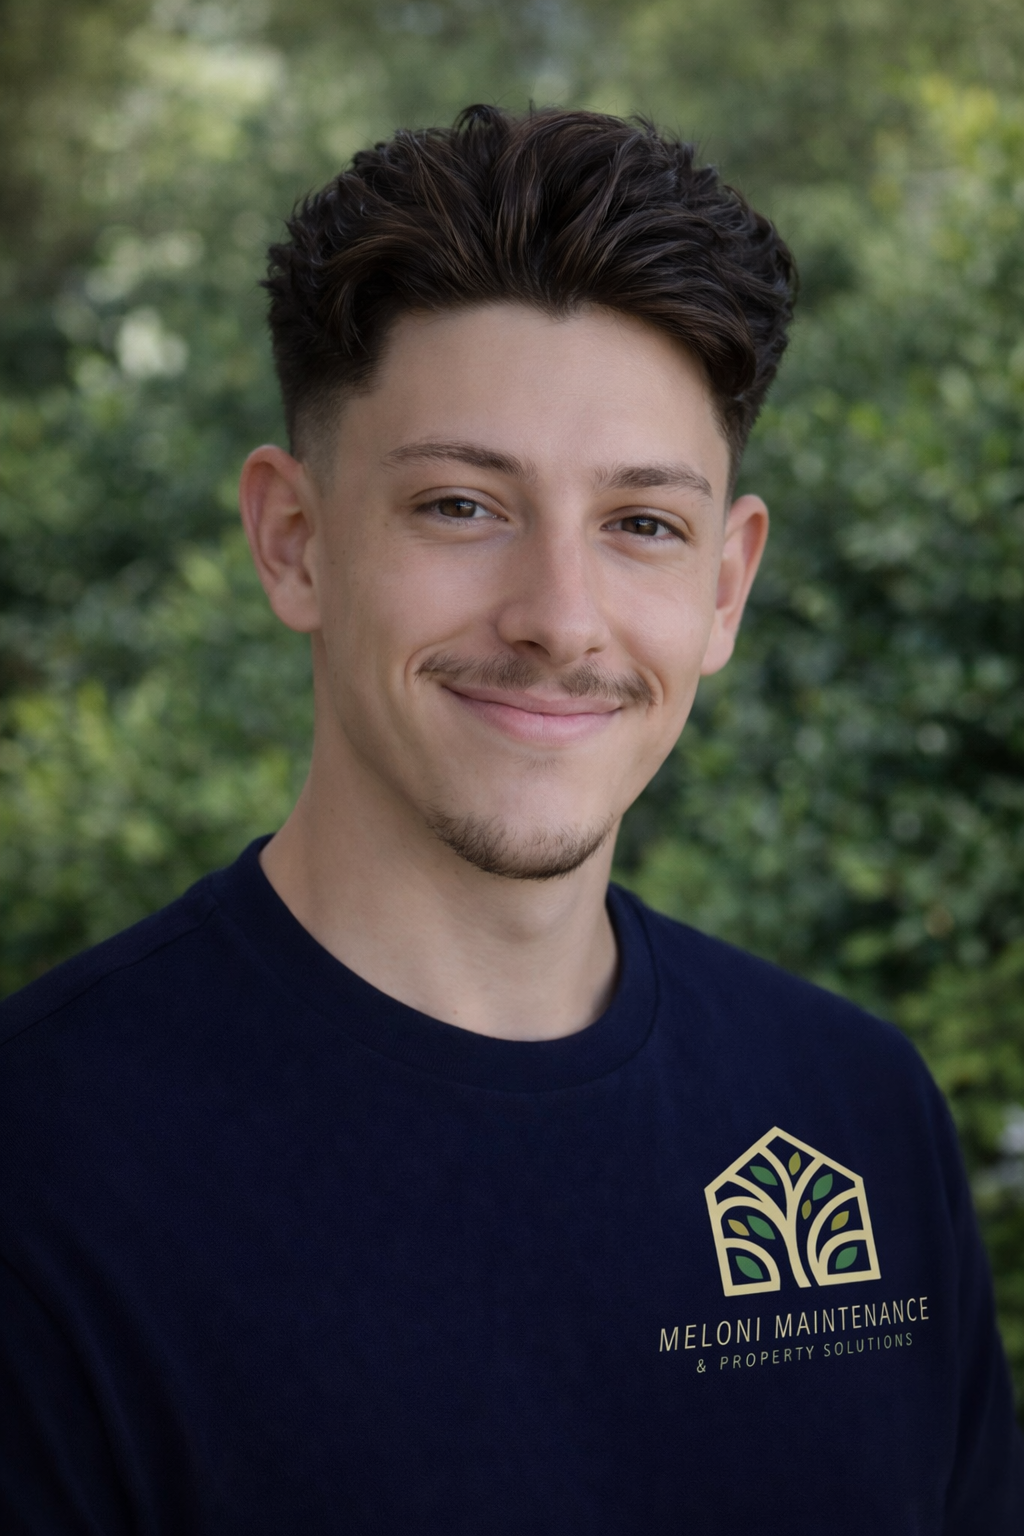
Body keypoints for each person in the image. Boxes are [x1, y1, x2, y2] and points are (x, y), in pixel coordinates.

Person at [0, 104, 1020, 1535]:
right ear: (293, 540)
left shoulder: (853, 1115)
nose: (558, 619)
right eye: (463, 505)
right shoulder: (43, 1171)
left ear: (726, 589)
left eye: (643, 525)